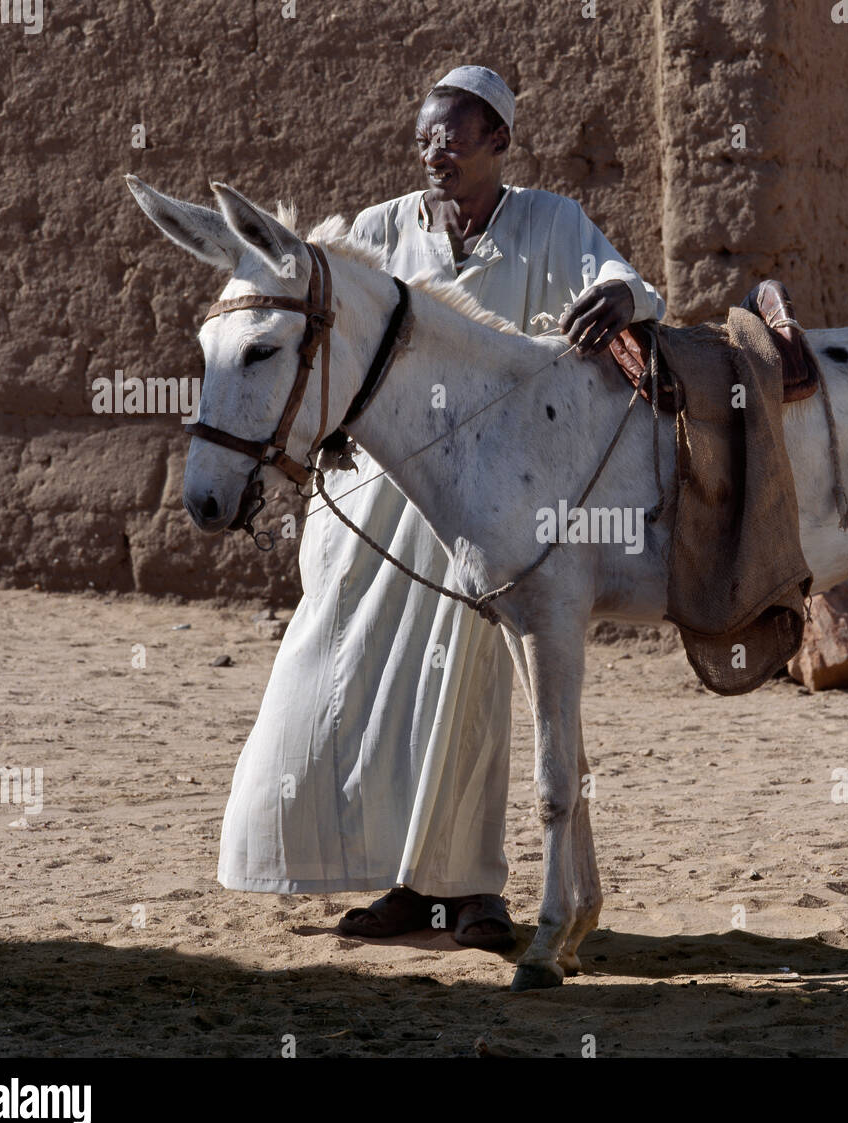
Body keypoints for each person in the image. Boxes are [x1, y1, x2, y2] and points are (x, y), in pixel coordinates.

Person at [215, 66, 665, 949]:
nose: (435, 152)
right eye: (426, 137)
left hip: (490, 504)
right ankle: (401, 884)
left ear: (498, 143)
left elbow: (628, 284)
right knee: (357, 681)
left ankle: (471, 891)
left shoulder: (549, 222)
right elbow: (321, 305)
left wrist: (623, 298)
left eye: (455, 136)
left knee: (469, 690)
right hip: (382, 502)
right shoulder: (383, 228)